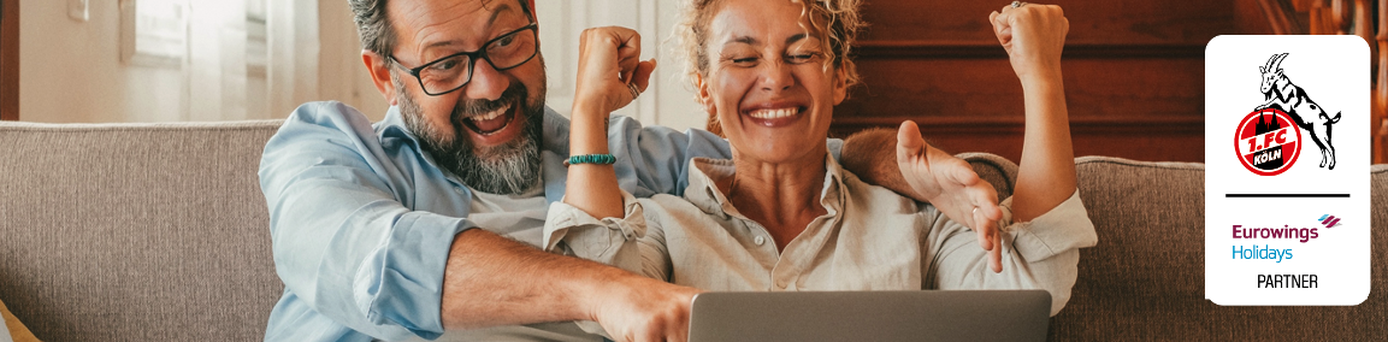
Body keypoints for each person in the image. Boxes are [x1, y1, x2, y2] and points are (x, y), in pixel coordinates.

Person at [258, 0, 1002, 340]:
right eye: (446, 65)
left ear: (534, 23)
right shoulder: (328, 151)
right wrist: (607, 291)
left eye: (507, 41)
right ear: (384, 76)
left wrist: (921, 168)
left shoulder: (633, 156)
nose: (489, 85)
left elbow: (800, 154)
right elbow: (375, 261)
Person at [545, 0, 1098, 318]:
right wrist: (590, 106)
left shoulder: (914, 225)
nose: (775, 79)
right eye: (742, 58)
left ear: (840, 79)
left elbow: (1036, 282)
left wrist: (1042, 76)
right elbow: (596, 282)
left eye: (802, 53)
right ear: (706, 91)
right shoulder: (667, 225)